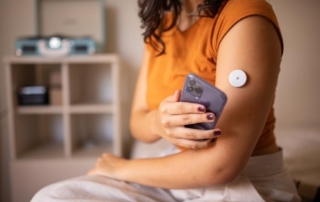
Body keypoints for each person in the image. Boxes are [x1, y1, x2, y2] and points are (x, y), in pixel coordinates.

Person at [32, 0, 301, 201]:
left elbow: (221, 166)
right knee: (51, 197)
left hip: (243, 180)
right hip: (173, 173)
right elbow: (137, 121)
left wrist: (122, 167)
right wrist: (157, 123)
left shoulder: (245, 17)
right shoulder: (161, 27)